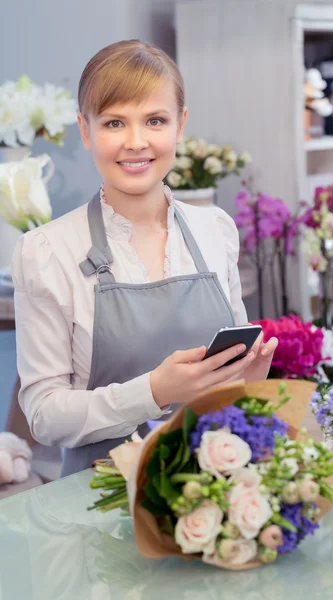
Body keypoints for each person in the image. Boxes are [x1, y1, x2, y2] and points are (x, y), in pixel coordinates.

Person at [12, 40, 278, 477]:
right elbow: (43, 415)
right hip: (97, 511)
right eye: (115, 122)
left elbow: (228, 391)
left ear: (180, 125)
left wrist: (248, 379)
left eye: (155, 120)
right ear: (85, 130)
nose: (136, 142)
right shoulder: (47, 252)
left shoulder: (215, 230)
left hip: (213, 497)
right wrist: (153, 391)